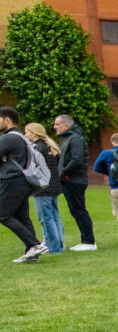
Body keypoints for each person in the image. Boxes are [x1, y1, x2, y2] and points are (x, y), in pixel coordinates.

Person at [0, 107, 46, 262]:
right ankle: (32, 254)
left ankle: (34, 245)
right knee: (22, 217)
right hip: (23, 182)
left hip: (12, 180)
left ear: (7, 120)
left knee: (3, 214)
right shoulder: (20, 137)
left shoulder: (9, 138)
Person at [52, 114, 95, 251]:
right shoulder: (68, 138)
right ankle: (85, 240)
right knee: (75, 210)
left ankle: (89, 242)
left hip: (74, 180)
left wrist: (64, 173)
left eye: (57, 124)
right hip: (70, 180)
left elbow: (77, 159)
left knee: (79, 210)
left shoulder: (75, 138)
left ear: (66, 125)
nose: (54, 127)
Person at [25, 122, 64, 253]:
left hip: (43, 188)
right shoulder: (49, 147)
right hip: (54, 186)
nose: (25, 135)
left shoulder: (37, 148)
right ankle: (59, 244)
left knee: (46, 219)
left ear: (34, 133)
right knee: (55, 216)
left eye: (27, 132)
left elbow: (34, 169)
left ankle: (53, 247)